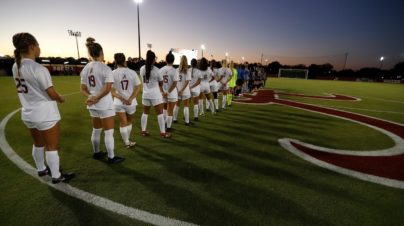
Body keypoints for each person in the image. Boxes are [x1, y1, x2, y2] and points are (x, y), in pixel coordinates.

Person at [12, 32, 75, 183]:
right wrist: (60, 98)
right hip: (45, 113)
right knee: (52, 146)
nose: (39, 48)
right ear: (32, 47)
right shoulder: (38, 68)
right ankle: (56, 176)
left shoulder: (16, 65)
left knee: (38, 144)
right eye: (38, 45)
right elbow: (51, 93)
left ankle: (41, 169)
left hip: (28, 113)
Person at [80, 37, 125, 164]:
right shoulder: (105, 68)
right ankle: (111, 157)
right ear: (101, 53)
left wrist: (91, 97)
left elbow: (82, 89)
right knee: (109, 132)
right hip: (104, 104)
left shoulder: (85, 68)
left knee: (96, 130)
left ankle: (96, 152)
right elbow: (107, 89)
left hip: (92, 105)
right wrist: (96, 98)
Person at [111, 53, 141, 148]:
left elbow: (110, 90)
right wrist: (130, 98)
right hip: (131, 103)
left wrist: (121, 98)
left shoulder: (113, 73)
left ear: (115, 61)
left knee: (123, 123)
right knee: (129, 121)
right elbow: (138, 87)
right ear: (125, 61)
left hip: (118, 102)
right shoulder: (132, 72)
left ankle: (127, 142)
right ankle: (127, 141)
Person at [139, 50, 171, 138]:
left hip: (145, 94)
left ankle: (143, 131)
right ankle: (163, 133)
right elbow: (161, 83)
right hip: (155, 95)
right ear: (153, 59)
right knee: (160, 114)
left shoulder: (141, 69)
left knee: (145, 113)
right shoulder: (157, 70)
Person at [160, 51, 178, 132]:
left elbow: (159, 83)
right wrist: (168, 92)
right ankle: (168, 127)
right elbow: (174, 84)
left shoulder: (161, 70)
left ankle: (164, 124)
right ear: (173, 60)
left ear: (166, 60)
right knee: (170, 110)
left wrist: (163, 92)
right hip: (172, 93)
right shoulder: (174, 70)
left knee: (164, 109)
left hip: (163, 93)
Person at [173, 55, 192, 125]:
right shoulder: (188, 70)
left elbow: (174, 81)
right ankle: (186, 121)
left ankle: (174, 119)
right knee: (186, 106)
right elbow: (187, 82)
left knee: (177, 105)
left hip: (177, 90)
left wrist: (178, 90)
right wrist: (182, 90)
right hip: (185, 91)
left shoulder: (176, 70)